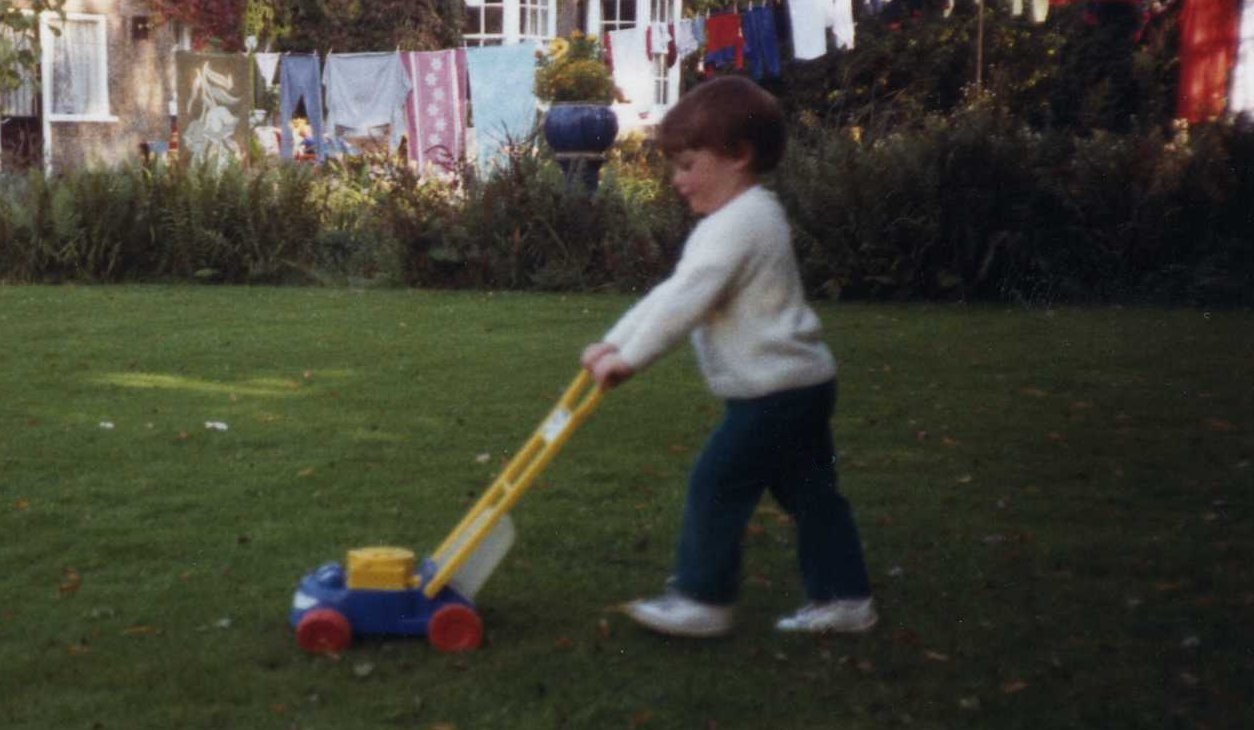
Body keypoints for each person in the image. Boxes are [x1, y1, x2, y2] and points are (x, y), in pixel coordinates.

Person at [581, 76, 876, 637]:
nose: (678, 182)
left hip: (775, 394)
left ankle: (703, 599)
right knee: (811, 494)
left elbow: (688, 301)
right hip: (795, 385)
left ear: (738, 157)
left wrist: (631, 359)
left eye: (689, 165)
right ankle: (845, 598)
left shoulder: (741, 224)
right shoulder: (742, 218)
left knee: (717, 483)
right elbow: (672, 292)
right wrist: (617, 341)